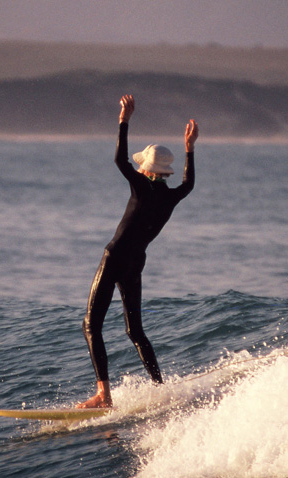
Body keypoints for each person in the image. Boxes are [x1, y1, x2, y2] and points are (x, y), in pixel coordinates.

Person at [77, 94, 199, 409]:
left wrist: (123, 121)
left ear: (145, 168)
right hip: (136, 264)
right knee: (135, 331)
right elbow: (189, 184)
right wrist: (189, 149)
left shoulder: (141, 186)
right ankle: (160, 389)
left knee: (91, 324)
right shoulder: (171, 197)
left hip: (116, 256)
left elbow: (119, 161)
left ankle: (104, 395)